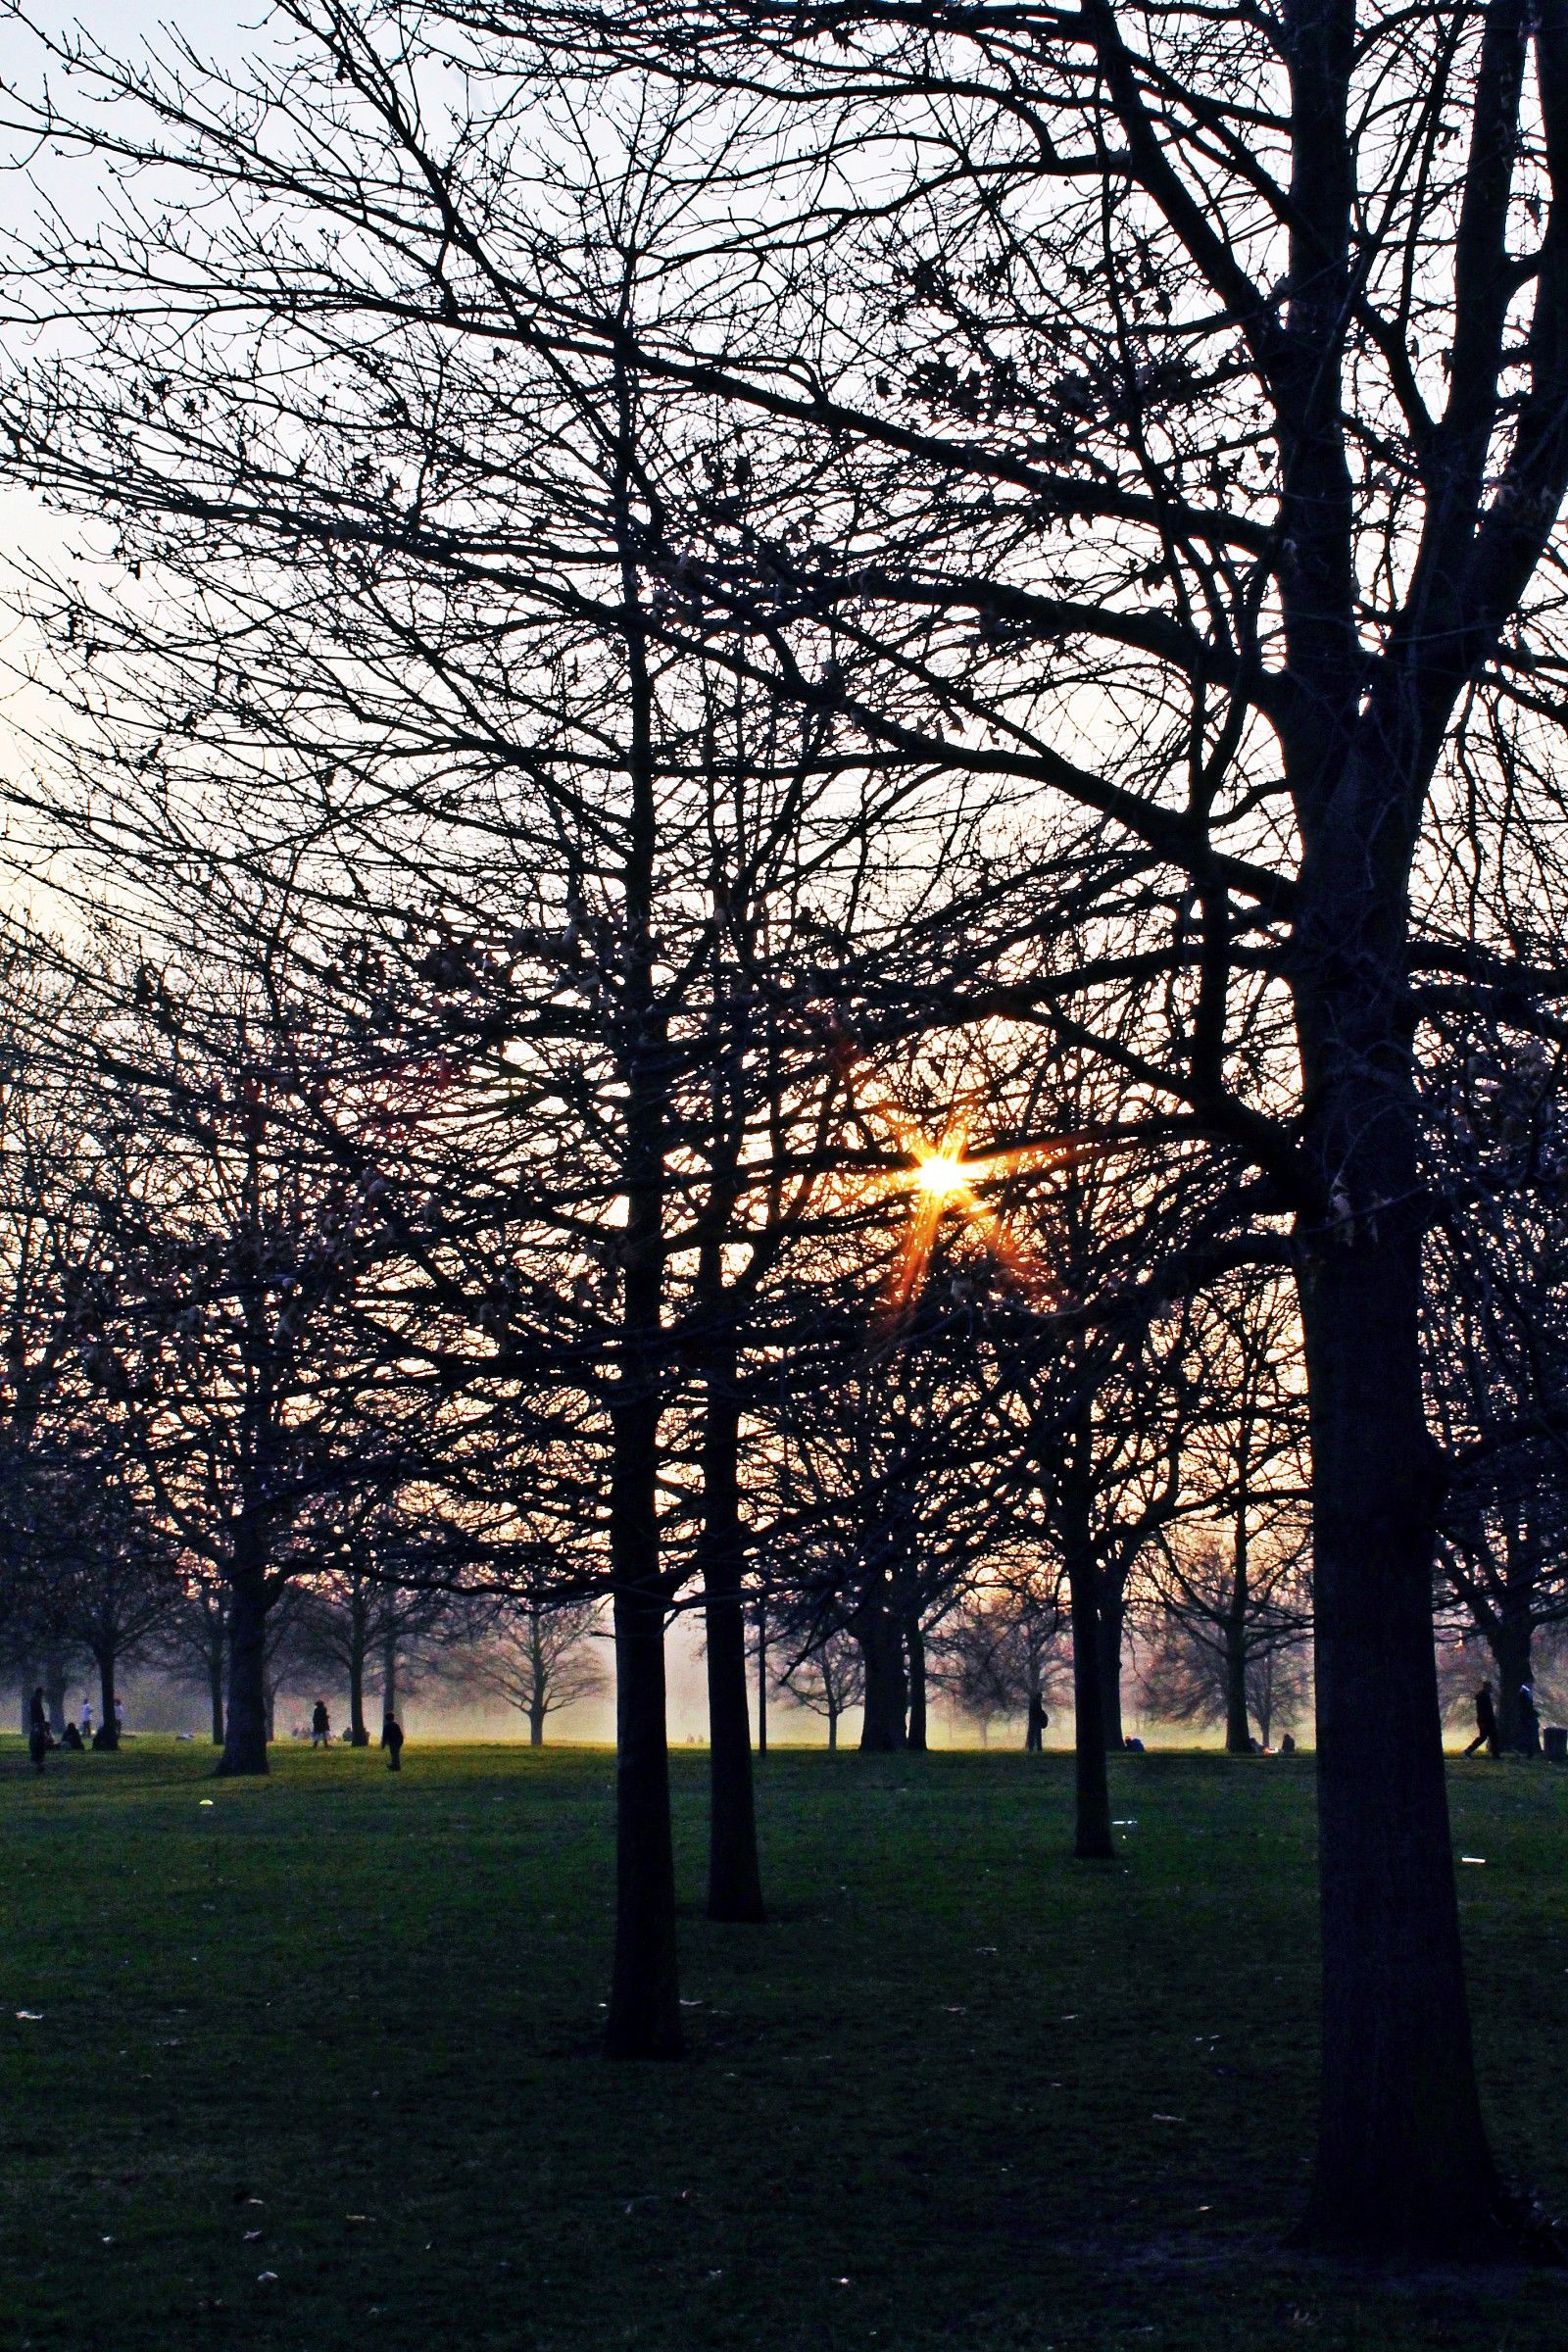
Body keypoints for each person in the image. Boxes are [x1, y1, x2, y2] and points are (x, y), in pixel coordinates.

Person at [1463, 1683, 1499, 1758]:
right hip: (1486, 1720)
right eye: (1490, 1687)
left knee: (1486, 1737)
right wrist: (1484, 1721)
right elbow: (1483, 1710)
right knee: (1491, 1736)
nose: (1491, 1689)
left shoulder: (1483, 1696)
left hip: (1485, 1720)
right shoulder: (1484, 1696)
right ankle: (1495, 1755)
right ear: (1487, 1687)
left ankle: (1469, 1750)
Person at [28, 1686, 49, 1774]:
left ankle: (38, 1763)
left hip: (36, 1724)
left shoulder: (33, 1700)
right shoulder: (35, 1701)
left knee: (37, 1743)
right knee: (39, 1744)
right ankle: (39, 1764)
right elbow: (38, 1714)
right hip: (38, 1724)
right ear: (39, 1693)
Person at [1519, 1684, 1542, 1758]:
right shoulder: (1525, 1693)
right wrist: (1534, 1713)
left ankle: (1529, 1751)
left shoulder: (1524, 1692)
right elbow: (1527, 1707)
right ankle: (1528, 1752)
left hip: (1526, 1717)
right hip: (1527, 1718)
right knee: (1529, 1735)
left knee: (1528, 1735)